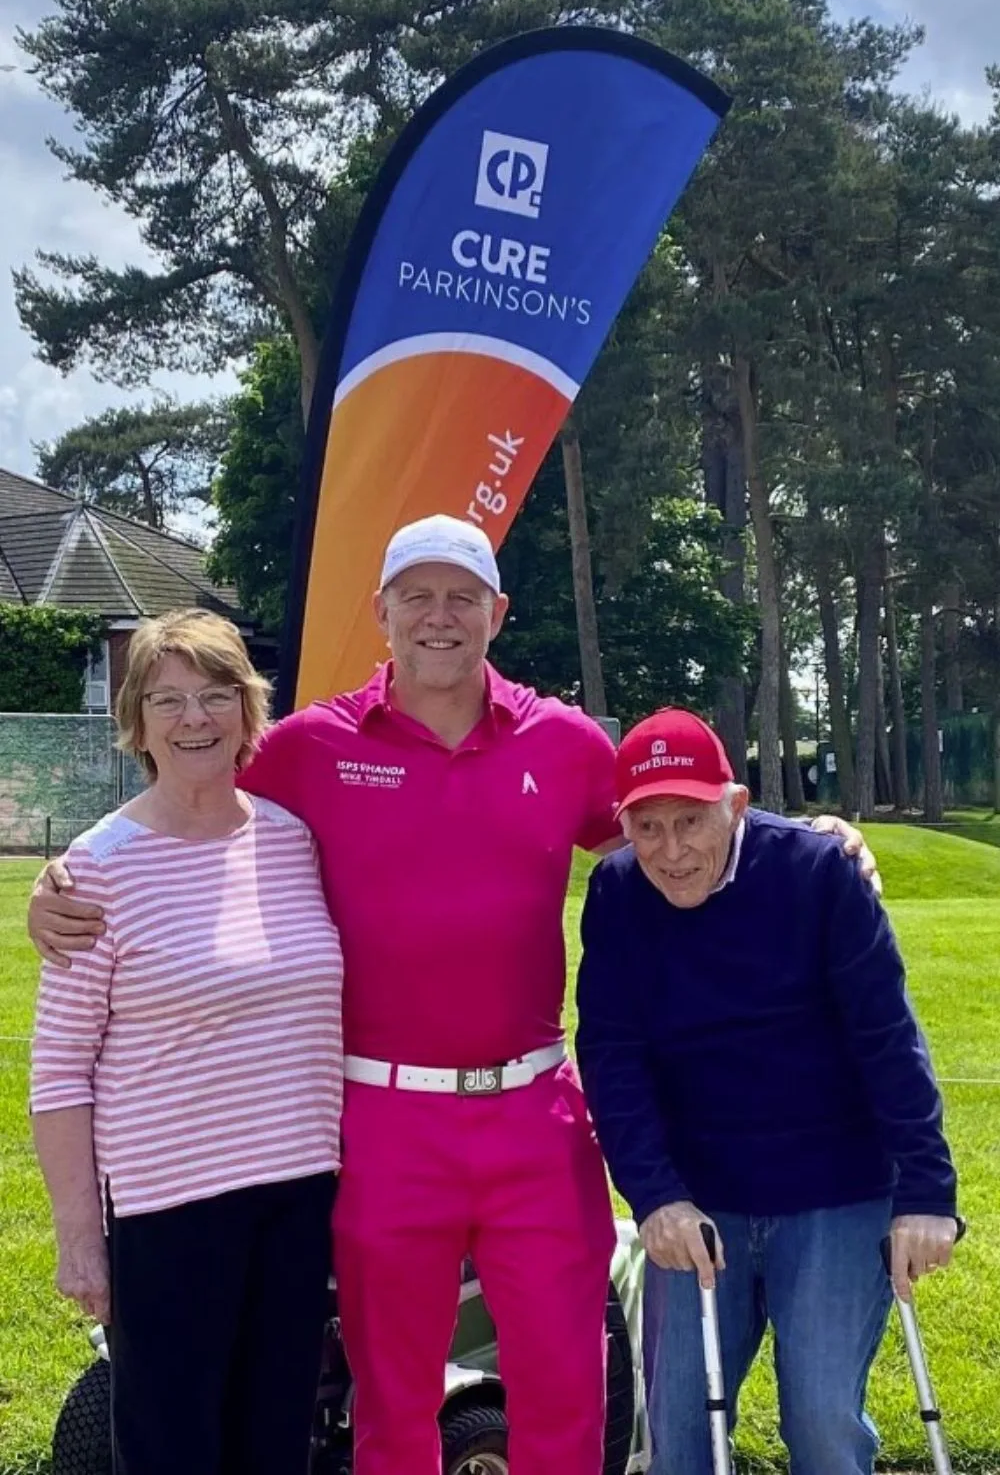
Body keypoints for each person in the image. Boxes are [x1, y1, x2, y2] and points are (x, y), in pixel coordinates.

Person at [28, 516, 877, 1475]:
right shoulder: (311, 747)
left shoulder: (559, 741)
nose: (440, 617)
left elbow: (670, 823)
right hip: (383, 1124)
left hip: (535, 1116)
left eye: (462, 596)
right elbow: (187, 790)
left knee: (566, 1393)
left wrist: (800, 835)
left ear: (497, 613)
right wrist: (61, 879)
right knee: (391, 1408)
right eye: (418, 596)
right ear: (381, 611)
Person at [575, 706, 959, 1475]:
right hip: (699, 1198)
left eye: (690, 820)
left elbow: (888, 1038)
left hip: (835, 1188)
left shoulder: (818, 874)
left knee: (819, 1423)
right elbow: (612, 1054)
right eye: (647, 828)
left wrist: (927, 1191)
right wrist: (653, 1195)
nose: (672, 851)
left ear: (737, 804)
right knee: (679, 1435)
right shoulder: (619, 894)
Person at [30, 610, 344, 1475]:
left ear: (249, 713)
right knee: (173, 1448)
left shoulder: (293, 842)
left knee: (277, 1437)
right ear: (136, 722)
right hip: (170, 1208)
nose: (194, 719)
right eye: (167, 701)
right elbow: (59, 1072)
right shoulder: (96, 870)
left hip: (297, 1196)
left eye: (215, 696)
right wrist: (79, 1237)